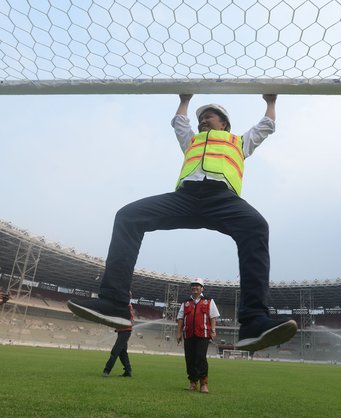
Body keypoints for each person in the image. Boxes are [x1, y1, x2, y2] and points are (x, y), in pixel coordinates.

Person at [68, 94, 297, 352]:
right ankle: (114, 302)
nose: (201, 122)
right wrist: (185, 99)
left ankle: (254, 320)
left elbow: (266, 125)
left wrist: (271, 102)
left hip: (222, 200)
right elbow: (179, 122)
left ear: (224, 123)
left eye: (207, 117)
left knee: (257, 226)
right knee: (128, 217)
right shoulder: (192, 141)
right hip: (185, 198)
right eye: (199, 119)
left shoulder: (239, 142)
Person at [176, 278, 219, 393]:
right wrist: (179, 333)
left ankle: (204, 383)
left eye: (197, 285)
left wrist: (213, 330)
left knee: (200, 358)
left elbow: (213, 316)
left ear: (202, 288)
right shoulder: (185, 303)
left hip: (203, 334)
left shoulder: (209, 301)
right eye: (193, 286)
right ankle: (192, 382)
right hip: (188, 334)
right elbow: (180, 318)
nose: (195, 287)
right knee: (189, 359)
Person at [103, 302, 134, 378]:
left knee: (115, 351)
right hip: (122, 331)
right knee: (122, 352)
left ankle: (107, 370)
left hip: (125, 331)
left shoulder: (127, 305)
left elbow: (130, 316)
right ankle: (128, 371)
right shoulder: (123, 305)